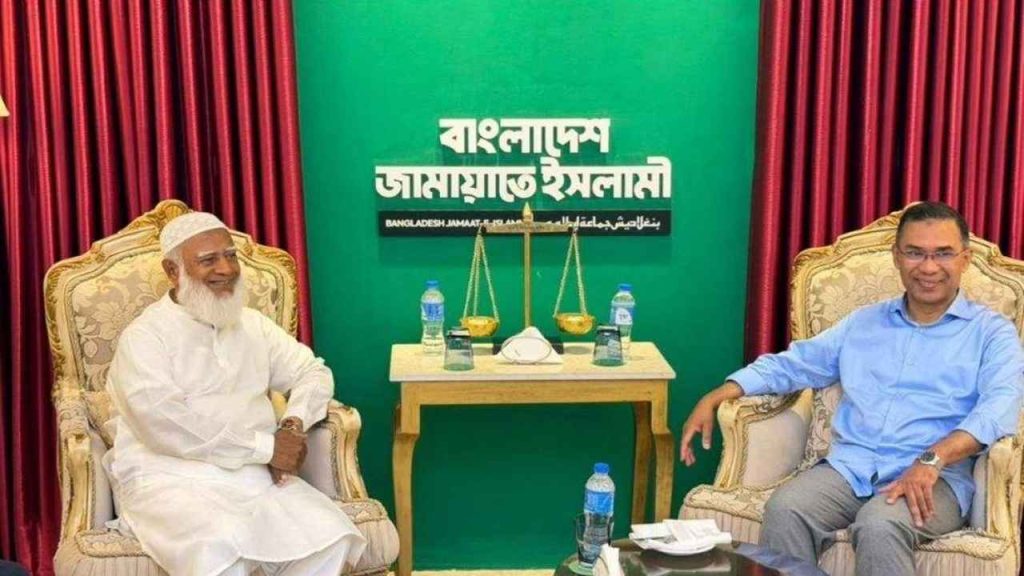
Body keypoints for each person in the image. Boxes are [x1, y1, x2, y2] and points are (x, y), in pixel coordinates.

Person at [680, 201, 1024, 576]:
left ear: (964, 259)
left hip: (935, 478)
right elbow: (795, 364)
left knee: (879, 525)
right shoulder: (864, 323)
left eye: (942, 253)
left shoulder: (992, 333)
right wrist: (720, 394)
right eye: (914, 253)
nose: (928, 267)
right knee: (786, 508)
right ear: (896, 257)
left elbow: (998, 410)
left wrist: (932, 459)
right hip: (850, 468)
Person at [104, 212, 366, 576]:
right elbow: (162, 423)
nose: (226, 269)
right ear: (173, 271)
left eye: (230, 255)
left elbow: (313, 372)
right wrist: (265, 447)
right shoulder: (145, 336)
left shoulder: (253, 324)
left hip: (254, 476)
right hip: (169, 478)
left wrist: (292, 424)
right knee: (219, 550)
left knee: (330, 536)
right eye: (208, 260)